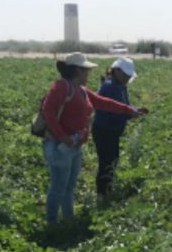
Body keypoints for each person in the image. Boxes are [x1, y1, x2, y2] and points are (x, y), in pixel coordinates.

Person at [41, 52, 143, 224]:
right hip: (60, 146)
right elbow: (48, 111)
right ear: (76, 71)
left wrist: (129, 110)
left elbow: (103, 102)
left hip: (74, 146)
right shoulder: (61, 87)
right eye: (85, 70)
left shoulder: (81, 90)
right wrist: (63, 137)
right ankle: (51, 224)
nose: (88, 74)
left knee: (69, 186)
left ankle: (68, 219)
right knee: (59, 186)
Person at [92, 57, 149, 200]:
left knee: (112, 160)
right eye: (125, 75)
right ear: (116, 71)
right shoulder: (110, 86)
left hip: (112, 130)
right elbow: (115, 111)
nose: (127, 78)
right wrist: (131, 114)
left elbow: (124, 106)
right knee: (106, 162)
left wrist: (135, 109)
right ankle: (102, 194)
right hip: (105, 129)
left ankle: (106, 190)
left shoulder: (120, 85)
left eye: (129, 76)